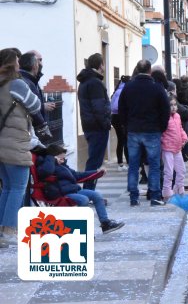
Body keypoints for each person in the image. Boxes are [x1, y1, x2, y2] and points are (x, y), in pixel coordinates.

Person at [0, 48, 42, 247]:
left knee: (7, 188)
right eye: (17, 60)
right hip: (15, 142)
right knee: (17, 188)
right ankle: (9, 229)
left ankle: (2, 229)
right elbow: (36, 105)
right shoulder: (16, 84)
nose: (19, 63)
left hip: (1, 143)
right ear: (12, 63)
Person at [35, 145, 124, 234]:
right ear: (54, 156)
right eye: (61, 158)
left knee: (97, 195)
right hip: (62, 193)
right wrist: (52, 159)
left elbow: (77, 175)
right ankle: (83, 229)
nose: (63, 160)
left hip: (73, 190)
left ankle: (105, 224)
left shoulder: (63, 166)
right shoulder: (46, 164)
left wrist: (96, 172)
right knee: (84, 200)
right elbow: (46, 172)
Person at [119, 60, 170, 206]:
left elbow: (121, 109)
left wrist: (126, 126)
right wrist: (162, 127)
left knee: (134, 165)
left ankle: (133, 197)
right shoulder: (157, 87)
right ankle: (154, 196)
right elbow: (165, 109)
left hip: (133, 130)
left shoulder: (128, 87)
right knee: (154, 164)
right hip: (152, 131)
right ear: (150, 71)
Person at [77, 53, 111, 190]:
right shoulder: (95, 83)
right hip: (97, 127)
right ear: (100, 65)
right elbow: (99, 108)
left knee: (94, 160)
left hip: (89, 125)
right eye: (103, 64)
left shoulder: (85, 82)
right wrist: (106, 124)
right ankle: (89, 191)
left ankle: (89, 190)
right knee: (95, 161)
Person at [161, 94, 188, 201]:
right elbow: (161, 132)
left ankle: (179, 188)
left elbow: (180, 128)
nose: (173, 107)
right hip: (168, 148)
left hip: (177, 148)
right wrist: (163, 141)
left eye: (175, 105)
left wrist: (184, 137)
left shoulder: (177, 116)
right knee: (169, 171)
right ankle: (167, 191)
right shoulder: (164, 117)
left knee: (182, 170)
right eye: (171, 105)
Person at [111, 75, 130, 172]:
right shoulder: (124, 91)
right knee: (125, 140)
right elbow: (117, 106)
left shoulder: (117, 90)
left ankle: (120, 162)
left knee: (121, 140)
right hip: (121, 117)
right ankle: (126, 162)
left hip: (114, 117)